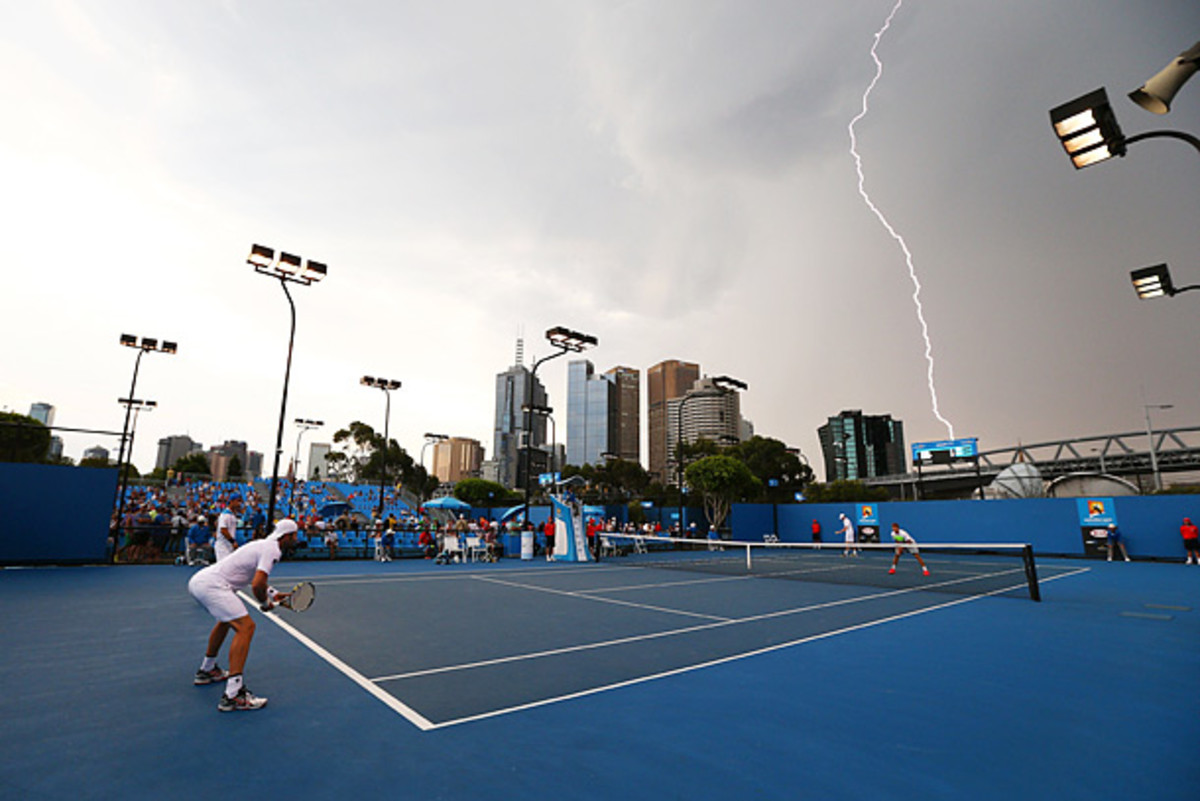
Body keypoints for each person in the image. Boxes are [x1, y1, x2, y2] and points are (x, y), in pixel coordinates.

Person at [187, 519, 299, 712]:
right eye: (295, 536)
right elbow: (256, 584)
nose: (296, 539)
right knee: (246, 627)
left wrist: (272, 594)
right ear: (287, 536)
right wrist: (265, 603)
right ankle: (233, 695)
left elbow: (250, 576)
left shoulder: (261, 544)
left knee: (225, 622)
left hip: (200, 581)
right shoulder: (273, 550)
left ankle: (207, 670)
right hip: (213, 586)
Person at [214, 496, 242, 562]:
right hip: (223, 546)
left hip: (229, 546)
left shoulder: (232, 515)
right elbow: (223, 530)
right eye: (237, 501)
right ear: (231, 501)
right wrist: (233, 542)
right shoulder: (224, 515)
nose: (239, 504)